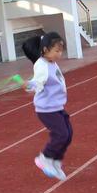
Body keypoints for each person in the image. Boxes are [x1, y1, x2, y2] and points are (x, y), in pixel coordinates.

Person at [22, 33, 72, 181]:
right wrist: (30, 85)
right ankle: (45, 158)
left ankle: (56, 161)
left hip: (56, 106)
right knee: (61, 134)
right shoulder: (42, 65)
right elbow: (38, 82)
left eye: (61, 50)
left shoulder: (51, 62)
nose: (59, 54)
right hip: (47, 109)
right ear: (45, 50)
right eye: (56, 50)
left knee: (68, 134)